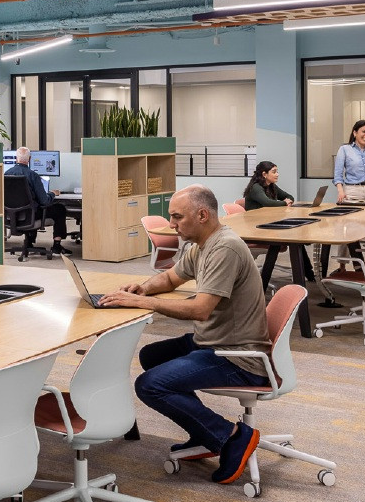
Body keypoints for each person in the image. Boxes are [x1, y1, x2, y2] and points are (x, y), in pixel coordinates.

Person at [98, 185, 268, 485]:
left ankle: (230, 435)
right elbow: (170, 278)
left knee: (150, 386)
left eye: (177, 217)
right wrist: (144, 288)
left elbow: (201, 310)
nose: (172, 224)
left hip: (237, 356)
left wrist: (144, 303)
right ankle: (202, 430)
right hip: (213, 340)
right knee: (151, 356)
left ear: (202, 215)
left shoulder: (224, 248)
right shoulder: (200, 245)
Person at [242, 161, 311, 290]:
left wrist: (287, 201)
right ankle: (263, 283)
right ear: (264, 174)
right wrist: (284, 203)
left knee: (297, 239)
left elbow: (288, 196)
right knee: (287, 240)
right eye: (274, 172)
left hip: (269, 226)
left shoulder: (272, 186)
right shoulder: (256, 188)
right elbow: (268, 203)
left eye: (277, 171)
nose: (277, 174)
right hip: (256, 230)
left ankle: (310, 274)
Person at [5, 146, 72, 256]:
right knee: (60, 209)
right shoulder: (33, 176)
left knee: (33, 205)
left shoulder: (5, 174)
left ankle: (29, 242)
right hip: (30, 216)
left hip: (11, 216)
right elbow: (45, 201)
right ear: (30, 159)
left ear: (16, 158)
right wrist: (52, 194)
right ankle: (56, 246)